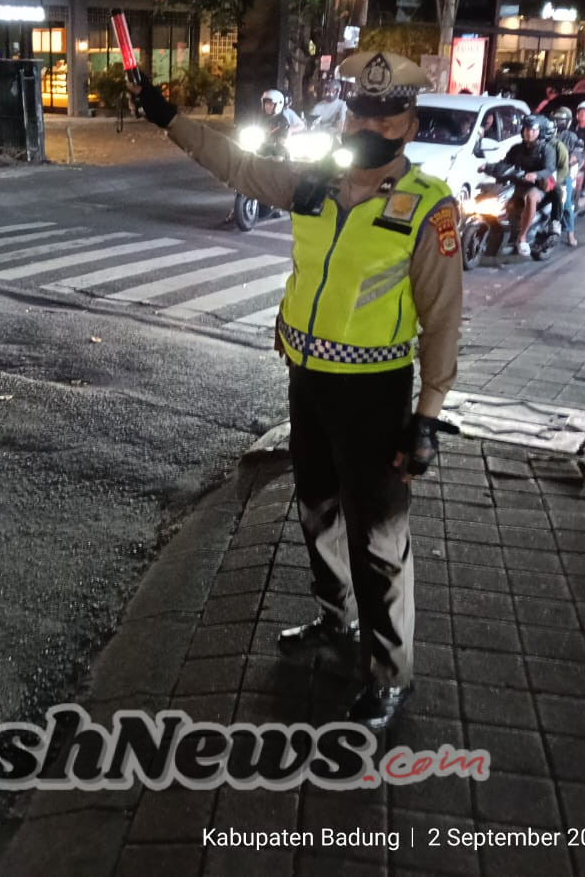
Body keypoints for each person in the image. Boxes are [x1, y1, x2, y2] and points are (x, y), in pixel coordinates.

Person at [130, 52, 463, 731]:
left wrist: (426, 417)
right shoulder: (314, 183)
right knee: (316, 508)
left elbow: (443, 320)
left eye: (385, 114)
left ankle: (388, 672)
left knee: (380, 540)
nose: (369, 124)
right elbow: (237, 167)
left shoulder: (428, 208)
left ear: (410, 121)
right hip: (307, 381)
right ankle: (335, 618)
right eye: (361, 111)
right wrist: (168, 118)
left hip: (375, 394)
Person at [492, 113, 557, 256]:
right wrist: (488, 167)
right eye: (527, 129)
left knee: (531, 197)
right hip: (517, 184)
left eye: (533, 130)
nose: (529, 133)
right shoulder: (516, 148)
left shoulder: (547, 150)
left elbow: (549, 169)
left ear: (540, 132)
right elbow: (505, 162)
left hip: (538, 186)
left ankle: (522, 238)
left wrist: (536, 175)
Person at [551, 107, 583, 246]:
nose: (559, 122)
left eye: (562, 120)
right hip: (547, 171)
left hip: (563, 173)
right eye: (557, 120)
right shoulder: (548, 134)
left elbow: (576, 155)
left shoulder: (572, 137)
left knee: (566, 204)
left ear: (568, 121)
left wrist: (565, 162)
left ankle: (570, 233)